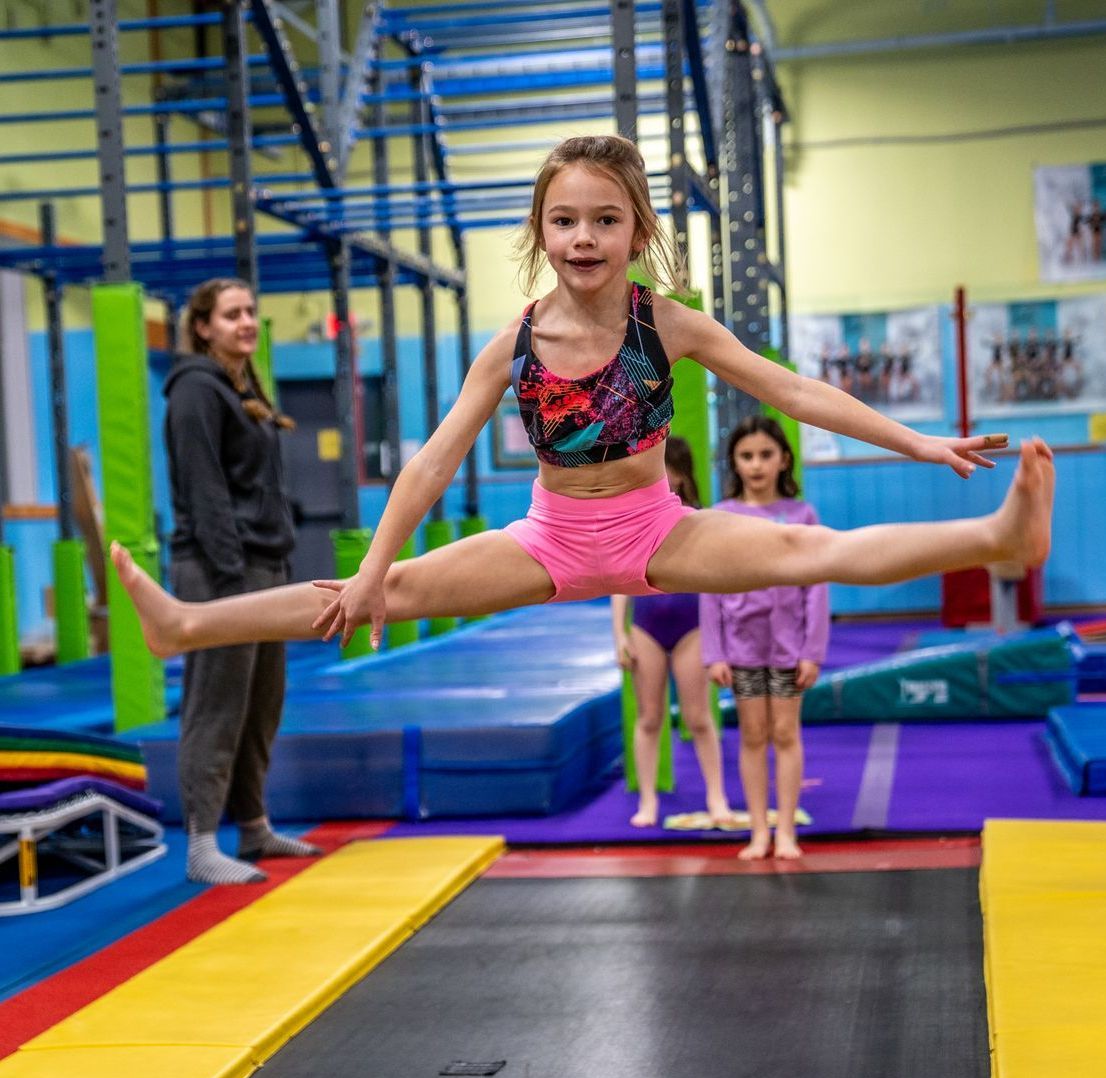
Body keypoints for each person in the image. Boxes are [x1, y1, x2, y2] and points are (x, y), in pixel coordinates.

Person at [111, 135, 1054, 715]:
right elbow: (434, 462)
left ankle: (994, 536)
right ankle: (187, 624)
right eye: (564, 221)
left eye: (605, 221)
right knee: (378, 588)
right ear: (540, 231)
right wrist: (367, 572)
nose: (584, 239)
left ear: (637, 232)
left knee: (816, 551)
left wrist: (922, 442)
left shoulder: (667, 323)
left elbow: (799, 392)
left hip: (657, 527)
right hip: (549, 538)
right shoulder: (513, 342)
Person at [165, 277, 319, 885]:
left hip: (260, 565)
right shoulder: (195, 392)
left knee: (262, 702)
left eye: (252, 311)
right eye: (232, 315)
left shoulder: (241, 386)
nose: (246, 323)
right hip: (219, 571)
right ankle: (202, 842)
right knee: (217, 704)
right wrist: (232, 586)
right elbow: (205, 493)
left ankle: (253, 827)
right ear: (203, 327)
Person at [702, 417, 829, 860]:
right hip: (741, 646)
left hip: (789, 646)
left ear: (783, 459)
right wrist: (713, 651)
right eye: (746, 456)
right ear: (734, 462)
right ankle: (759, 831)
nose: (756, 466)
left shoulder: (801, 515)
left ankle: (787, 831)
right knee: (753, 734)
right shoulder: (722, 517)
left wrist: (813, 650)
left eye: (765, 455)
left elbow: (817, 586)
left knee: (785, 731)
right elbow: (710, 587)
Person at [612, 436, 732, 828]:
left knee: (698, 717)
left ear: (680, 475)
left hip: (691, 626)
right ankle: (647, 800)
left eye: (665, 468)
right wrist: (620, 634)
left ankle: (716, 796)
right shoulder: (631, 518)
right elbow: (618, 580)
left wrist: (719, 637)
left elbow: (716, 582)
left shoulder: (695, 518)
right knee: (649, 717)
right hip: (646, 626)